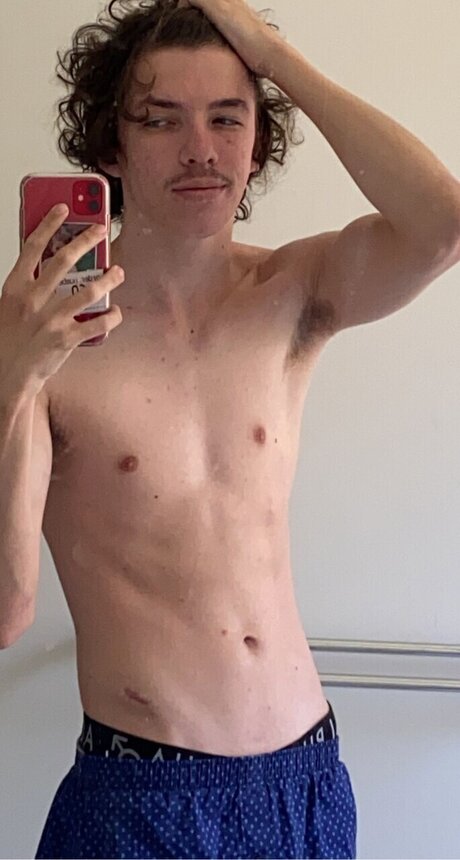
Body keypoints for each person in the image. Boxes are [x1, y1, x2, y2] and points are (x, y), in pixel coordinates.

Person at [1, 0, 459, 857]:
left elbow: (443, 226)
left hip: (306, 778)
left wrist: (273, 57)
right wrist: (11, 380)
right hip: (137, 793)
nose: (200, 150)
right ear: (110, 146)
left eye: (226, 117)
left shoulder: (293, 293)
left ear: (257, 142)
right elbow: (6, 609)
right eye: (161, 119)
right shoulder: (47, 345)